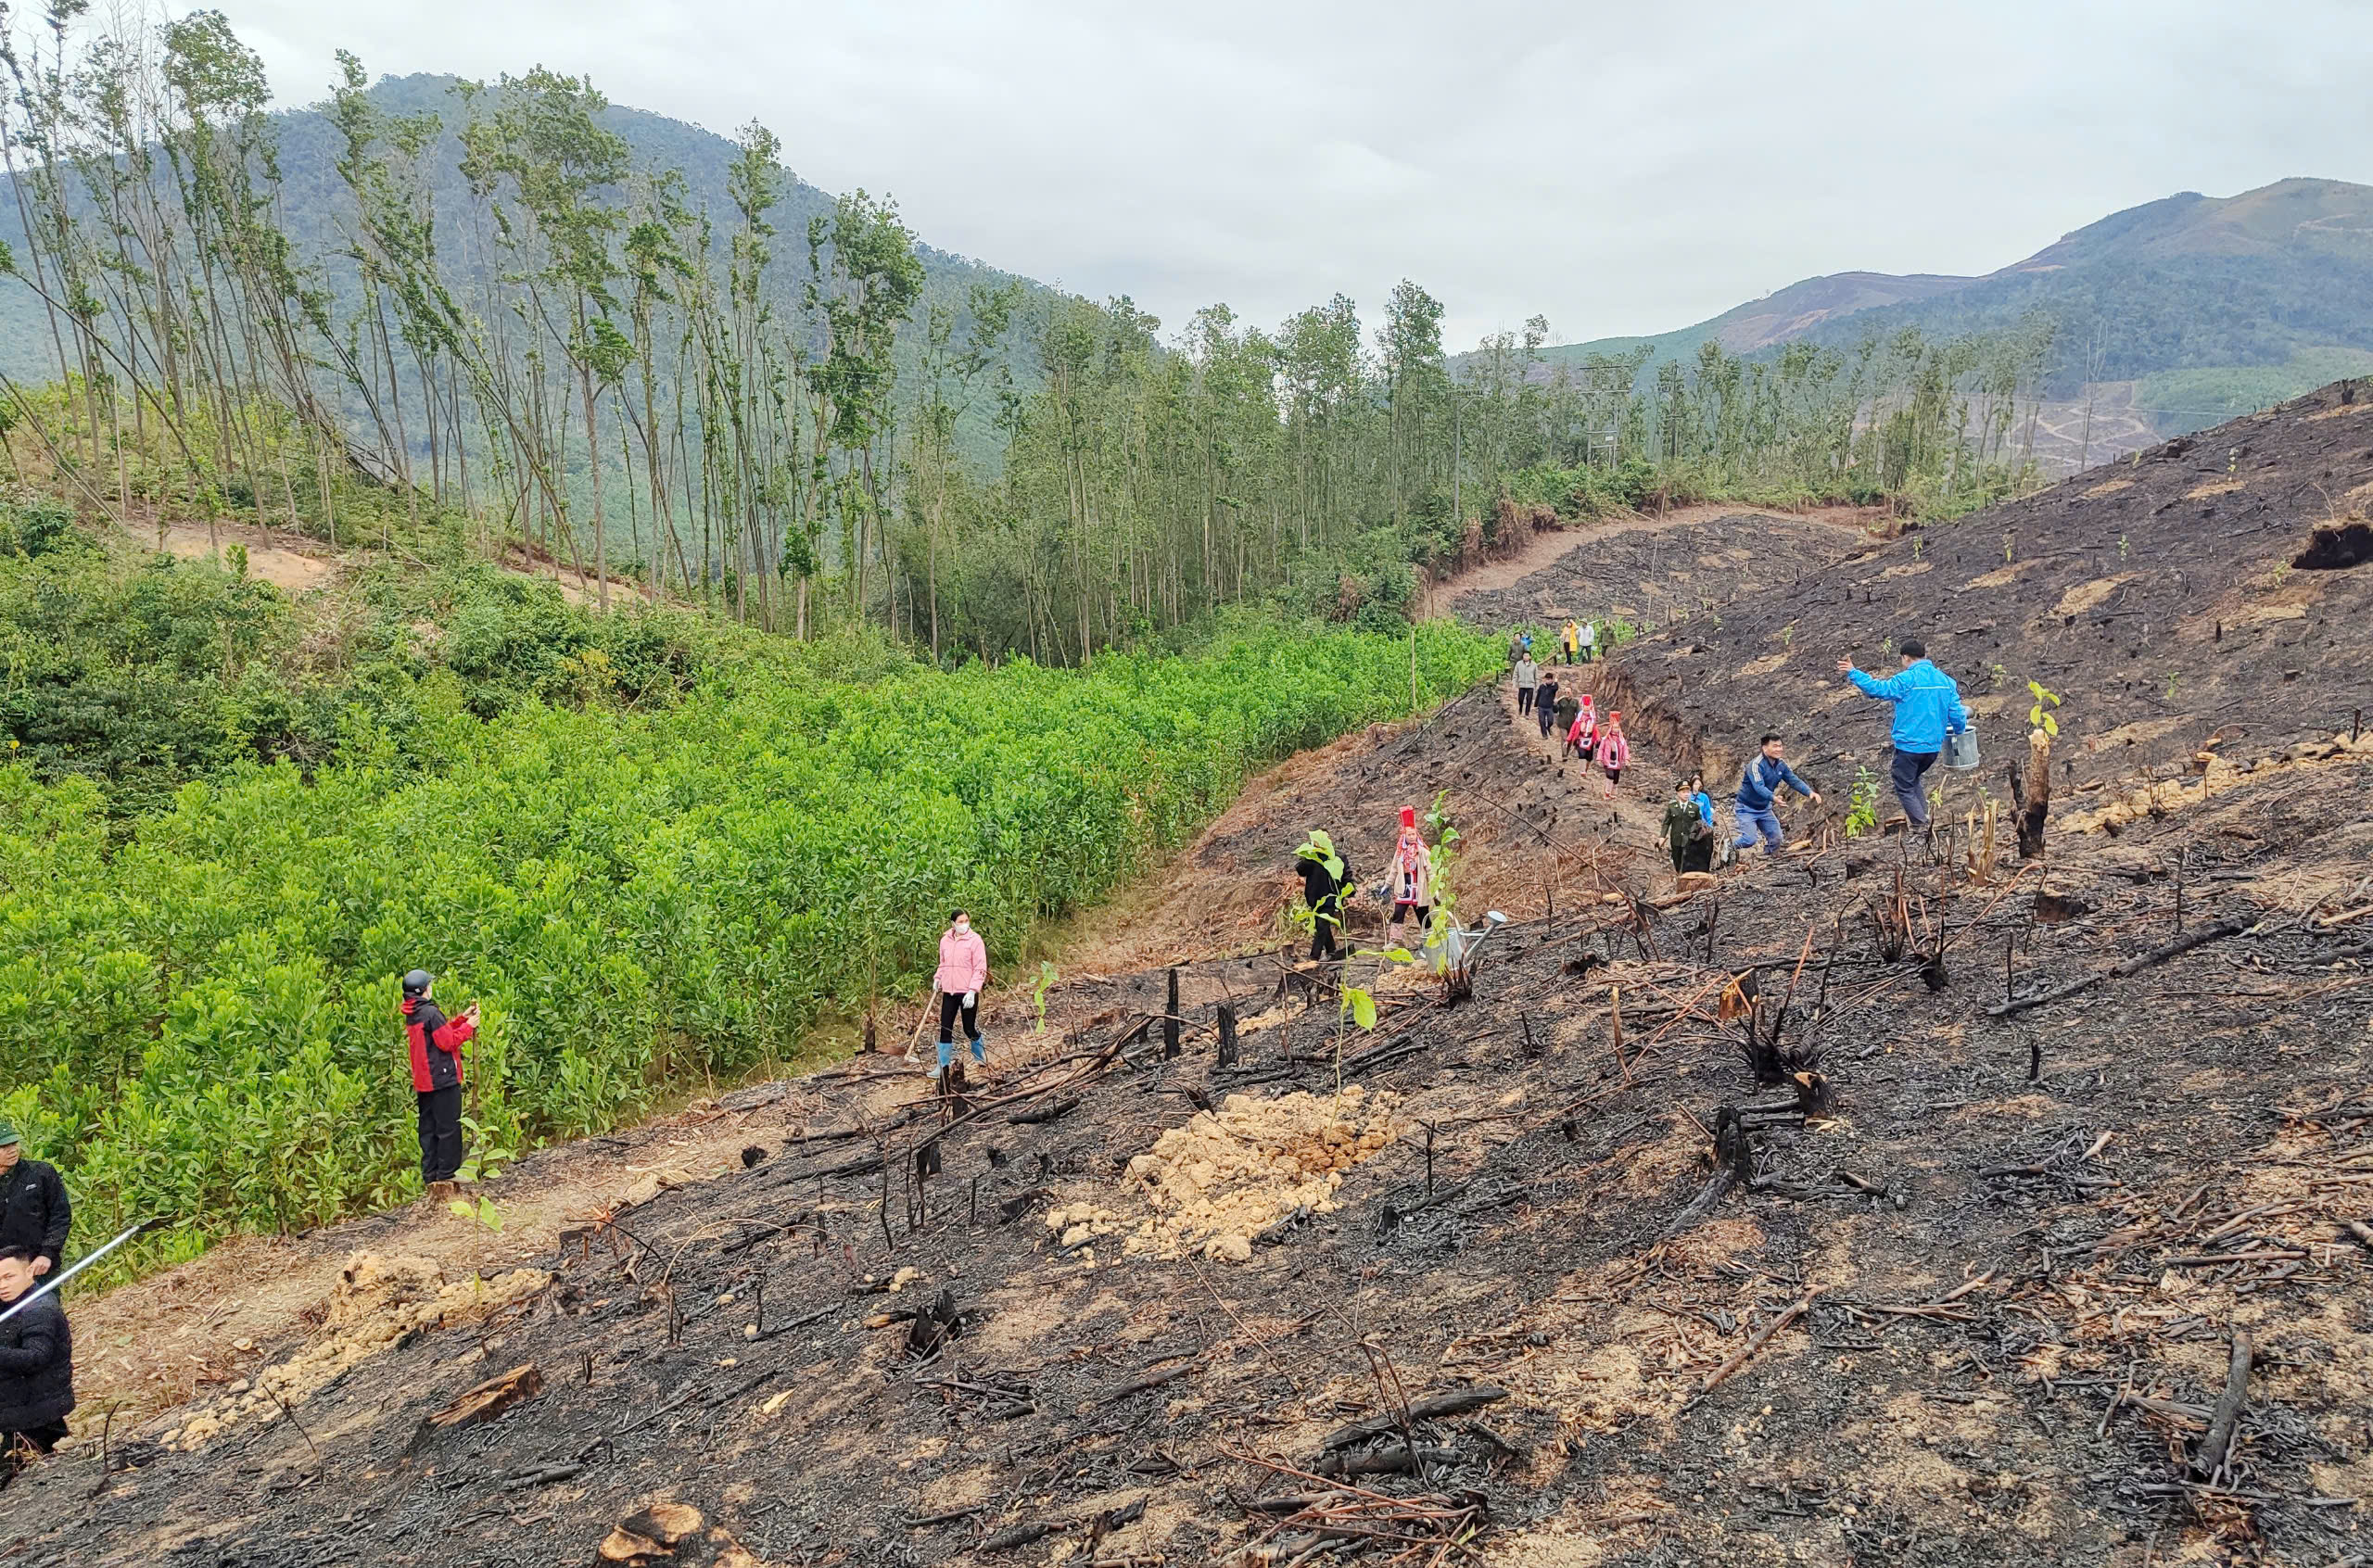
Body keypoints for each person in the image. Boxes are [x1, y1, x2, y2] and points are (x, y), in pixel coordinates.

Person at [1837, 639, 1969, 832]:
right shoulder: (1945, 681)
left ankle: (1921, 827)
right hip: (1932, 748)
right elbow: (1957, 713)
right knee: (1912, 780)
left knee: (1903, 783)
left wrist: (1853, 672)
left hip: (1909, 746)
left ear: (1906, 657)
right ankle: (1924, 820)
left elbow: (1878, 690)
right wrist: (1959, 732)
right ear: (1924, 654)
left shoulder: (1907, 679)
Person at [400, 970, 477, 1199]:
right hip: (442, 1079)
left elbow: (438, 1034)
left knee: (429, 1129)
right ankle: (447, 1173)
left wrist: (462, 1019)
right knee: (449, 1128)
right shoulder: (431, 1012)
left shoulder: (414, 1012)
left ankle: (431, 1175)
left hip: (424, 1081)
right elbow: (447, 1042)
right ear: (423, 990)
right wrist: (469, 1027)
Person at [0, 1246, 73, 1481]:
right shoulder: (11, 1303)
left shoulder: (39, 1310)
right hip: (17, 1409)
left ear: (30, 1272)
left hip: (37, 1413)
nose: (2, 1285)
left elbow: (35, 1357)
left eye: (9, 1277)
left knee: (15, 1477)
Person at [1732, 734, 1822, 858]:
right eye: (1775, 746)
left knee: (1777, 839)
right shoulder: (1755, 765)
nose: (1779, 749)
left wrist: (1809, 792)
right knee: (1749, 840)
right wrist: (1774, 798)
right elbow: (1759, 787)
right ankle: (1729, 846)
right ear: (1765, 748)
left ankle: (1767, 857)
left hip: (1764, 808)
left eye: (1780, 746)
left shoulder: (1781, 765)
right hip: (1746, 808)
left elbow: (1793, 780)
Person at [0, 1125, 68, 1279]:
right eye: (4, 1147)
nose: (12, 1150)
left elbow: (60, 1215)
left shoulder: (41, 1173)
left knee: (45, 1303)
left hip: (40, 1266)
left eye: (14, 1144)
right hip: (4, 1272)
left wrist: (47, 1253)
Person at [932, 912, 990, 1078]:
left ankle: (979, 1055)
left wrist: (972, 991)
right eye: (960, 921)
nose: (964, 924)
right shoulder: (945, 941)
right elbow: (943, 964)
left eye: (966, 921)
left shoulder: (975, 940)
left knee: (968, 1028)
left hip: (967, 992)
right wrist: (938, 978)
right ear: (953, 924)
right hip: (949, 991)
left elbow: (980, 968)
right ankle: (942, 1067)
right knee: (945, 1028)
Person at [1294, 832, 1355, 963]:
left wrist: (1350, 893)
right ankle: (1332, 951)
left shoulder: (1338, 856)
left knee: (1322, 926)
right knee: (1322, 925)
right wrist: (1308, 855)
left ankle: (1314, 957)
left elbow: (1347, 875)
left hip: (1331, 897)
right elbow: (1300, 870)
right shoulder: (1312, 857)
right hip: (1314, 897)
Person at [1384, 807, 1431, 946]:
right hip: (1403, 887)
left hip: (1419, 887)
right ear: (1404, 836)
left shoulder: (1422, 852)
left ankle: (1429, 938)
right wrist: (1388, 884)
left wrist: (1435, 888)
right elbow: (1394, 869)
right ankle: (1395, 940)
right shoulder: (1400, 852)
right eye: (1409, 835)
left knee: (1422, 913)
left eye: (1414, 834)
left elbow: (1430, 870)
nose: (1412, 837)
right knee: (1398, 912)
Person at [1664, 778, 1711, 877]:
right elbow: (1666, 823)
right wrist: (1662, 836)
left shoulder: (1695, 807)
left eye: (1688, 792)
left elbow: (1700, 822)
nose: (1686, 794)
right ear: (1678, 793)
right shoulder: (1672, 806)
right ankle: (1678, 874)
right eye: (1683, 792)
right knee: (1677, 859)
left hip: (1689, 838)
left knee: (1688, 859)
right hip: (1676, 838)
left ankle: (1686, 876)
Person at [1598, 711, 1631, 799]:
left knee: (1616, 778)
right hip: (1608, 762)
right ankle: (1607, 792)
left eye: (1617, 727)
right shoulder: (1606, 739)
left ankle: (1613, 791)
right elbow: (1601, 749)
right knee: (1610, 776)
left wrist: (1627, 759)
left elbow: (1625, 749)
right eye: (1614, 727)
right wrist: (1599, 758)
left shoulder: (1621, 740)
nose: (1615, 729)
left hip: (1617, 762)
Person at [1562, 692, 1597, 765]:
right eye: (1585, 710)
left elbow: (1596, 732)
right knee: (1582, 756)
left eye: (1588, 710)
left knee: (1589, 758)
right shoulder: (1578, 720)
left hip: (1590, 741)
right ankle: (1582, 770)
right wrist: (1568, 740)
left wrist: (1598, 741)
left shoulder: (1593, 720)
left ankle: (1585, 769)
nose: (1586, 712)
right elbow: (1573, 730)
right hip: (1580, 740)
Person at [1550, 684, 1580, 752]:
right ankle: (1564, 755)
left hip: (1572, 723)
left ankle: (1567, 752)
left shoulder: (1575, 701)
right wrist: (1555, 704)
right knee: (1564, 737)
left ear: (1571, 692)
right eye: (1565, 692)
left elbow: (1578, 712)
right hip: (1562, 723)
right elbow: (1555, 710)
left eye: (1568, 692)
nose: (1567, 694)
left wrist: (1579, 723)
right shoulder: (1561, 701)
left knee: (1570, 739)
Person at [1533, 671, 1561, 740]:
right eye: (1546, 679)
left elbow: (1557, 687)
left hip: (1549, 707)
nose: (1547, 681)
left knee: (1550, 721)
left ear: (1551, 680)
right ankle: (1544, 735)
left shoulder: (1553, 688)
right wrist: (1536, 704)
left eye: (1549, 679)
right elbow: (1538, 695)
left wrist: (1556, 681)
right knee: (1541, 721)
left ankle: (1548, 727)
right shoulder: (1542, 686)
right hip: (1541, 707)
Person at [1513, 652, 1539, 717]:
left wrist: (1537, 685)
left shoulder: (1534, 665)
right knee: (1520, 699)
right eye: (1524, 656)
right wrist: (1514, 683)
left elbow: (1536, 676)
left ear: (1530, 657)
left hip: (1530, 685)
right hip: (1522, 684)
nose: (1525, 657)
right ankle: (1520, 708)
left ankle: (1527, 713)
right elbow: (1515, 674)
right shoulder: (1519, 664)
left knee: (1529, 699)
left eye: (1527, 656)